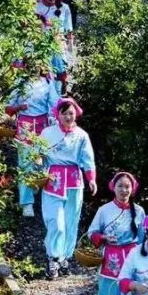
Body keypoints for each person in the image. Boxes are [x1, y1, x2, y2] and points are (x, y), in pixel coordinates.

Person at [87, 172, 145, 295]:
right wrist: (103, 238)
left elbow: (144, 240)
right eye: (120, 186)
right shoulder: (104, 210)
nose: (124, 190)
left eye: (127, 186)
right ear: (114, 187)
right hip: (110, 262)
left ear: (132, 188)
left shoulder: (139, 211)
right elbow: (92, 233)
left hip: (131, 262)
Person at [38, 97, 96, 279]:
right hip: (53, 181)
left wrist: (91, 179)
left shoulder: (81, 135)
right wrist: (38, 166)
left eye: (71, 113)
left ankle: (65, 257)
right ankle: (53, 257)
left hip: (74, 182)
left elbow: (87, 159)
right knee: (56, 223)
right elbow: (37, 155)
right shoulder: (47, 133)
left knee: (71, 221)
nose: (68, 117)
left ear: (76, 114)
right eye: (64, 113)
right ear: (58, 114)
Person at [5, 58, 61, 218]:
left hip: (43, 127)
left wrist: (54, 119)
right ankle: (27, 203)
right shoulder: (19, 83)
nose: (34, 68)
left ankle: (45, 195)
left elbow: (55, 105)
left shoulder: (47, 83)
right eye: (31, 65)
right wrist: (18, 107)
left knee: (44, 161)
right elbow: (7, 108)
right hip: (24, 126)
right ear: (26, 66)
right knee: (25, 163)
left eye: (37, 65)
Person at [33, 0, 74, 68]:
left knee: (60, 68)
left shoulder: (64, 8)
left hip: (58, 42)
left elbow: (68, 25)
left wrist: (70, 42)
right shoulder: (37, 8)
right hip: (41, 42)